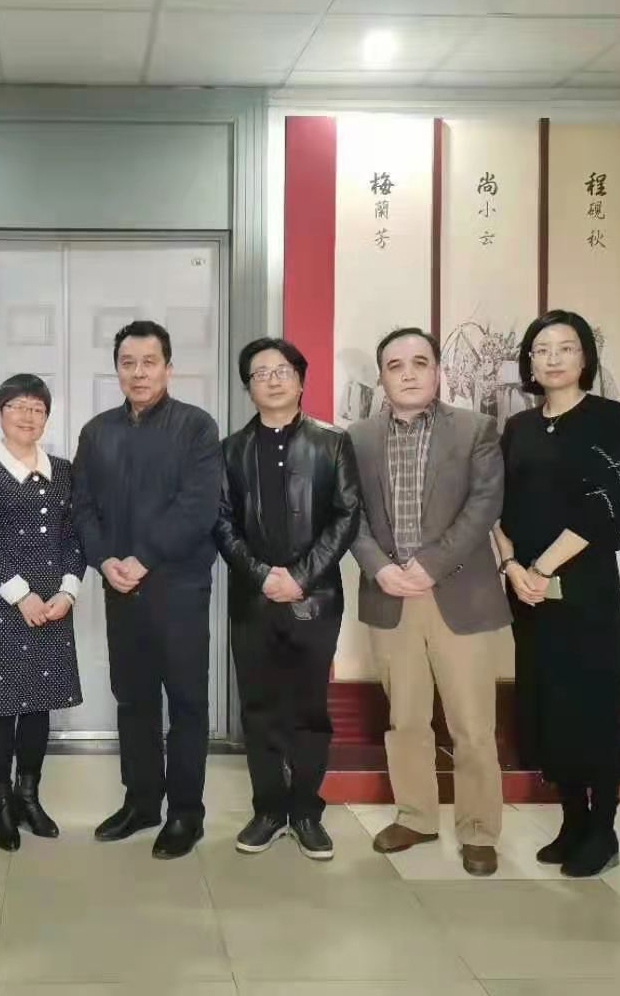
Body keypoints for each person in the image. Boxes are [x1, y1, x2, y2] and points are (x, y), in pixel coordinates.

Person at [348, 327, 510, 878]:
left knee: (472, 725)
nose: (409, 373)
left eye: (420, 362)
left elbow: (485, 504)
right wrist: (380, 567)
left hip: (459, 594)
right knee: (406, 719)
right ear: (382, 377)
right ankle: (416, 816)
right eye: (396, 365)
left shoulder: (475, 430)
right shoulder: (358, 438)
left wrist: (430, 564)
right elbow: (349, 514)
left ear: (438, 371)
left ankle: (479, 830)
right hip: (390, 594)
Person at [494, 309, 620, 879]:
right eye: (542, 349)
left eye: (566, 347)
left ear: (585, 357)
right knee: (547, 702)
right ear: (529, 362)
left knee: (591, 704)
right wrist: (512, 567)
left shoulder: (607, 419)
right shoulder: (518, 428)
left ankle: (603, 829)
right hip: (528, 591)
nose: (553, 358)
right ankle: (572, 821)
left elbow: (605, 505)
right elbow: (495, 505)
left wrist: (541, 567)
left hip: (584, 588)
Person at [73, 320, 222, 860]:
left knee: (186, 702)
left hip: (179, 588)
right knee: (133, 700)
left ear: (168, 368)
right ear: (117, 369)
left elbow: (198, 507)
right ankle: (140, 802)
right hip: (121, 589)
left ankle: (185, 813)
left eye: (149, 362)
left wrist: (143, 557)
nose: (138, 372)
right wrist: (103, 560)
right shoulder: (97, 432)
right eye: (128, 363)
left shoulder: (196, 427)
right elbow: (82, 507)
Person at [214, 338, 360, 861]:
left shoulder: (333, 443)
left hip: (314, 600)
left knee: (308, 708)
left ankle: (306, 812)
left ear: (300, 380)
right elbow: (221, 521)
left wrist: (300, 576)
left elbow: (347, 514)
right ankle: (269, 810)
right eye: (260, 373)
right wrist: (260, 576)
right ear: (248, 387)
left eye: (282, 371)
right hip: (252, 601)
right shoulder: (230, 450)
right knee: (258, 708)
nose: (272, 380)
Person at [0, 374, 87, 851]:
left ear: (46, 417)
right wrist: (21, 595)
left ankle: (28, 797)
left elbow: (74, 537)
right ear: (0, 412)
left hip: (52, 606)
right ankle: (0, 803)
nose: (27, 416)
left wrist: (68, 592)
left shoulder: (64, 470)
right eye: (17, 406)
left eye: (37, 408)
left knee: (38, 705)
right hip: (2, 605)